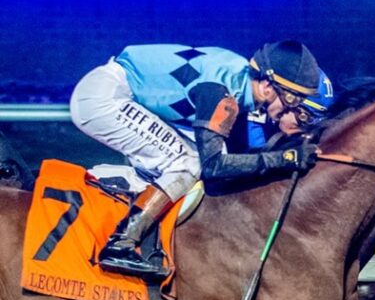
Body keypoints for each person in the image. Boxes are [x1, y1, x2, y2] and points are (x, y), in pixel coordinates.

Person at [69, 41, 325, 278]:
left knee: (189, 158)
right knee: (188, 162)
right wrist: (286, 159)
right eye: (291, 99)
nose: (291, 109)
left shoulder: (238, 79)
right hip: (104, 98)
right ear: (267, 86)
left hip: (118, 91)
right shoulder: (223, 94)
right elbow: (212, 167)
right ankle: (120, 243)